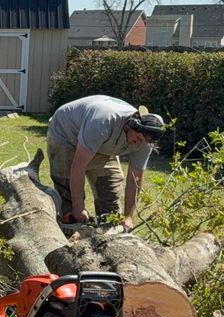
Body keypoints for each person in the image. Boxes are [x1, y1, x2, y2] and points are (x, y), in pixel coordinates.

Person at [46, 95, 165, 232]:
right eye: (137, 138)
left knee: (111, 208)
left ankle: (105, 236)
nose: (139, 144)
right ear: (131, 125)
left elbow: (135, 179)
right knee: (70, 203)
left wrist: (128, 217)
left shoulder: (145, 142)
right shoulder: (103, 121)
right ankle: (68, 232)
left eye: (143, 142)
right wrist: (78, 209)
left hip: (102, 143)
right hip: (66, 135)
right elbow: (78, 167)